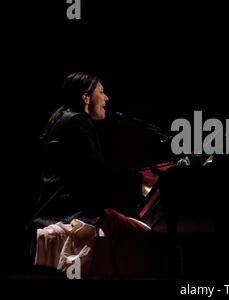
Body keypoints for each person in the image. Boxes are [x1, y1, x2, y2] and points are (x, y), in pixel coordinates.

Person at [28, 72, 162, 278]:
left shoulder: (64, 120)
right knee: (144, 237)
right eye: (101, 91)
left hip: (57, 213)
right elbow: (96, 174)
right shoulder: (77, 121)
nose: (106, 97)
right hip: (69, 216)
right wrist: (140, 180)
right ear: (86, 97)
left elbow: (88, 174)